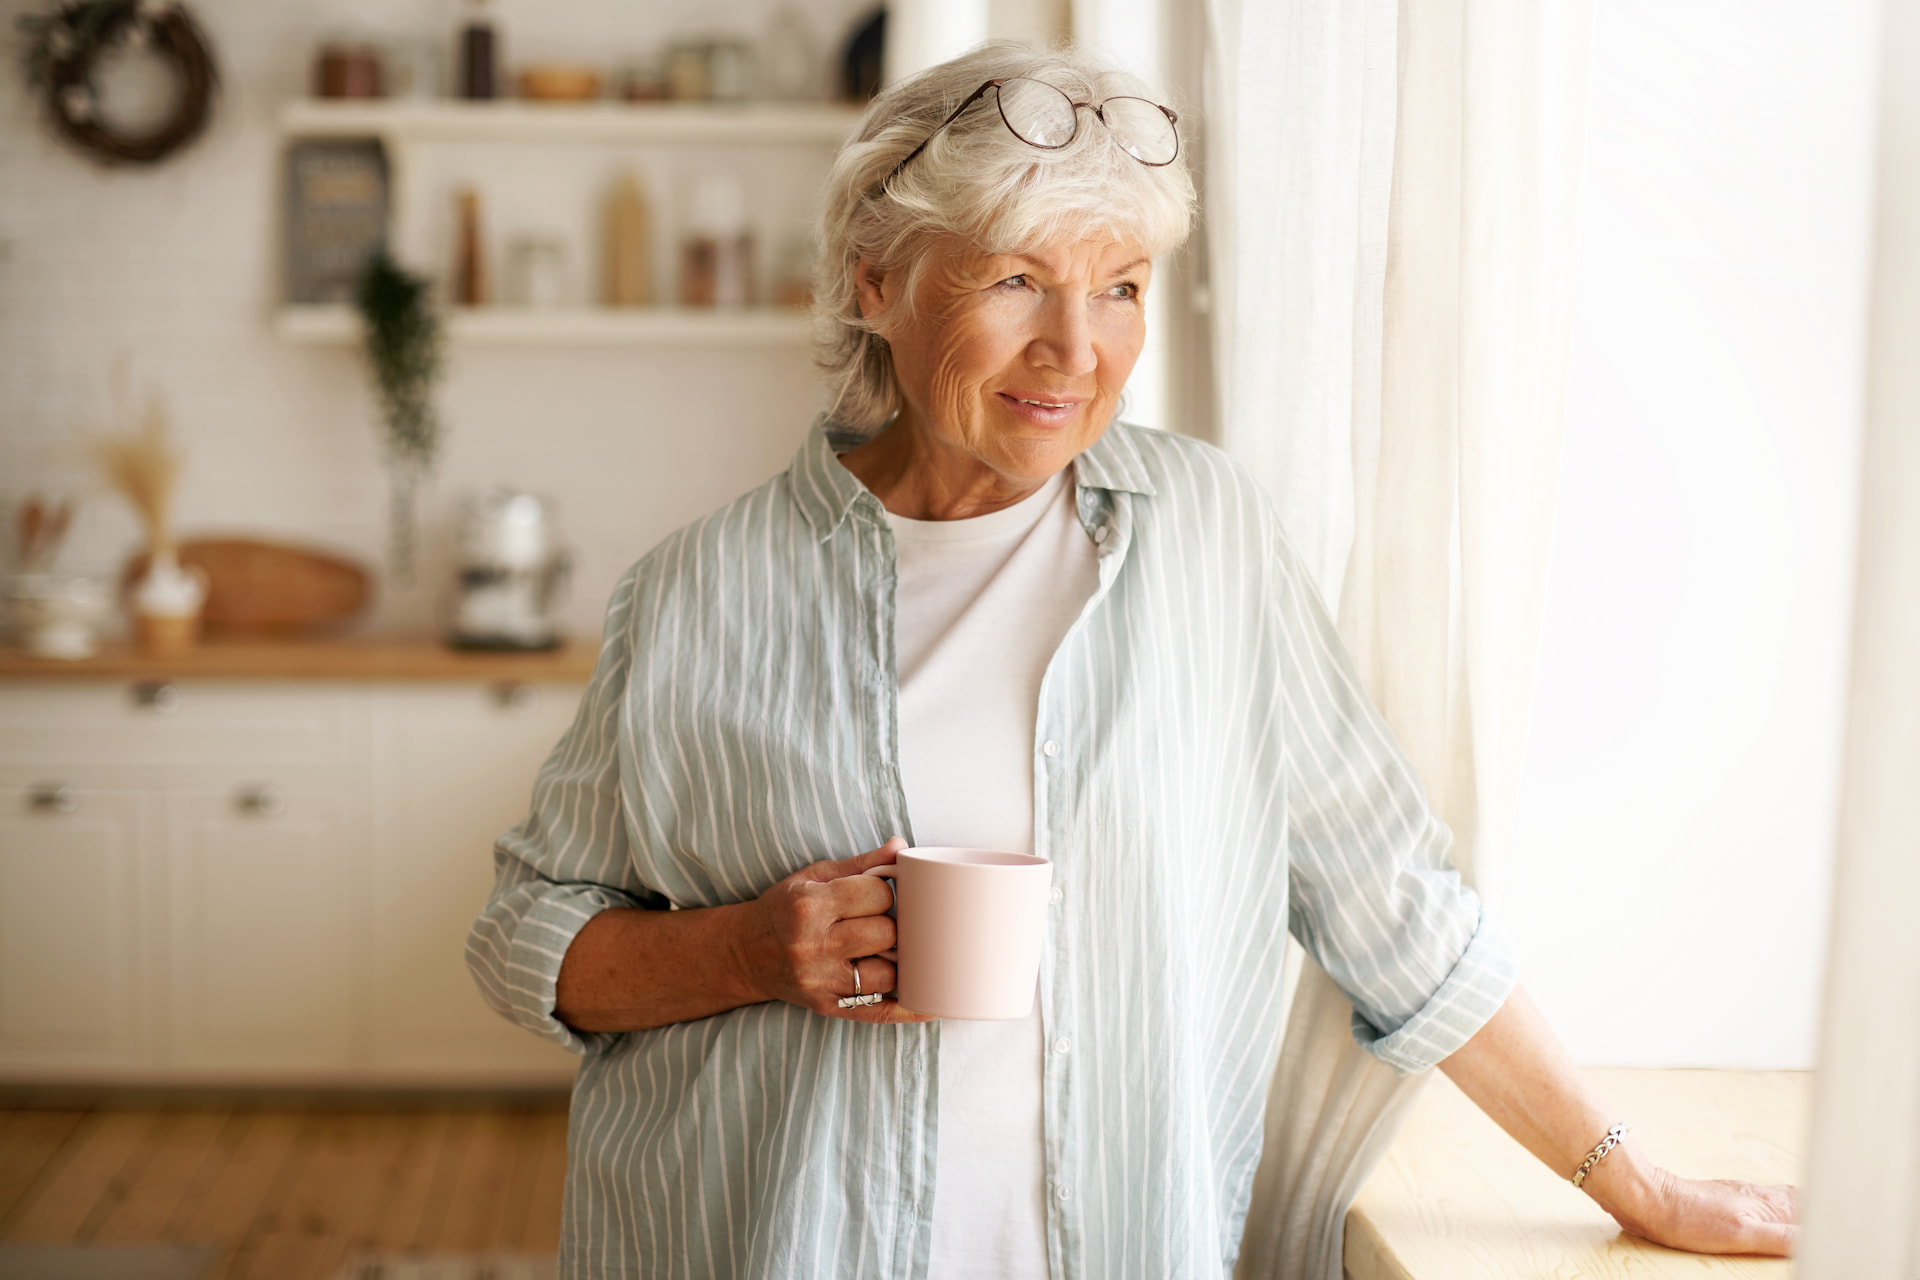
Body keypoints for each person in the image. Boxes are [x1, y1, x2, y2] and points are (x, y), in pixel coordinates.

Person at [467, 40, 1798, 1280]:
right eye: (1015, 279)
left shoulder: (1208, 537)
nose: (1077, 351)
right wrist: (755, 951)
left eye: (1120, 288)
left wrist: (1636, 1185)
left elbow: (1391, 897)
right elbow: (527, 935)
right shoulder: (697, 590)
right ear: (875, 280)